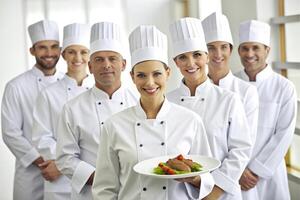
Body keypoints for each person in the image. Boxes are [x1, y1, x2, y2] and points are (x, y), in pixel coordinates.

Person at [92, 24, 215, 200]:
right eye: (141, 75)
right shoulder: (114, 125)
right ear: (132, 77)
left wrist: (195, 178)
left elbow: (207, 177)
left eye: (157, 74)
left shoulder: (190, 121)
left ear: (168, 73)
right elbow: (104, 188)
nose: (150, 83)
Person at [167, 17, 252, 200]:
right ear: (175, 62)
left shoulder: (228, 100)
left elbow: (240, 150)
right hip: (178, 192)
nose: (191, 63)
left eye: (197, 55)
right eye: (183, 57)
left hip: (221, 193)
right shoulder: (167, 101)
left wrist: (215, 191)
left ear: (206, 56)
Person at [55, 21, 139, 200]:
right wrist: (102, 180)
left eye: (112, 58)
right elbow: (65, 158)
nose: (106, 65)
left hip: (133, 192)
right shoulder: (72, 108)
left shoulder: (138, 103)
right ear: (90, 67)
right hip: (90, 194)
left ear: (123, 65)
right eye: (99, 60)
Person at [1, 20, 63, 200]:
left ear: (60, 51)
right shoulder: (16, 86)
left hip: (63, 169)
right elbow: (10, 133)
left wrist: (60, 165)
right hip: (29, 171)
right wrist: (43, 163)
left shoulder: (69, 84)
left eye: (54, 47)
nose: (49, 53)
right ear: (32, 51)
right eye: (42, 47)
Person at [236, 20, 297, 200]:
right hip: (236, 173)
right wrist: (238, 169)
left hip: (268, 173)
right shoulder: (230, 84)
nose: (249, 54)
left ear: (267, 50)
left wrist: (254, 170)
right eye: (244, 48)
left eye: (256, 48)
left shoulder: (284, 87)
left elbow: (284, 134)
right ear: (238, 51)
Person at [31, 23, 93, 200]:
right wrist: (63, 164)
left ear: (90, 55)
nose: (77, 57)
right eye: (71, 51)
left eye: (83, 52)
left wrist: (74, 164)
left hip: (92, 177)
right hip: (59, 181)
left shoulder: (100, 93)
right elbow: (41, 137)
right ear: (63, 54)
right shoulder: (48, 94)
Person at [202, 12, 259, 146]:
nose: (218, 54)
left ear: (231, 50)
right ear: (203, 52)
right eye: (211, 48)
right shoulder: (194, 90)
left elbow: (246, 145)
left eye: (224, 47)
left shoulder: (247, 92)